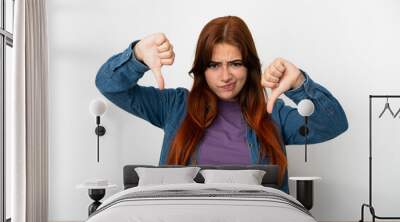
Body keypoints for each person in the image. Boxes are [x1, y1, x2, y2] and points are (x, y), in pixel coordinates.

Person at [95, 15, 348, 194]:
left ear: (249, 67)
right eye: (214, 65)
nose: (225, 76)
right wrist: (137, 55)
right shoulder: (174, 106)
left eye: (235, 64)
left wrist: (299, 83)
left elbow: (333, 124)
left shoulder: (273, 114)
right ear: (201, 70)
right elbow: (109, 85)